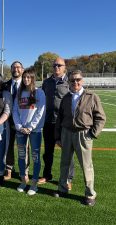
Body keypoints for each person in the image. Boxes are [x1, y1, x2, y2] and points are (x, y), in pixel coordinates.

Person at [53, 70, 106, 206]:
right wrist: (58, 136)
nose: (75, 82)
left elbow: (101, 117)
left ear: (82, 80)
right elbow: (60, 119)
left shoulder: (91, 96)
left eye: (78, 79)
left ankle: (90, 194)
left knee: (86, 166)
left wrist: (92, 133)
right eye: (72, 80)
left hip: (83, 134)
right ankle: (63, 188)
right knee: (65, 163)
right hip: (66, 133)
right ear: (69, 82)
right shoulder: (66, 97)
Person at [39, 57, 75, 188]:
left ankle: (68, 179)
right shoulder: (47, 82)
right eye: (54, 65)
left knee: (67, 152)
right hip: (48, 122)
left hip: (63, 123)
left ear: (64, 67)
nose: (56, 67)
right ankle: (47, 174)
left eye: (59, 65)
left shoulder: (69, 82)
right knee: (48, 151)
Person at [13, 69, 46, 195]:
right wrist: (19, 125)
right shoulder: (19, 93)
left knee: (35, 156)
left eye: (29, 77)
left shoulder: (39, 92)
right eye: (24, 77)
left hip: (35, 130)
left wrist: (31, 127)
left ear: (32, 78)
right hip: (21, 130)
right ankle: (23, 180)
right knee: (22, 155)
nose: (26, 79)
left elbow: (40, 113)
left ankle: (34, 184)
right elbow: (15, 110)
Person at [3, 61, 30, 182]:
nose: (16, 69)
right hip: (7, 122)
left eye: (18, 67)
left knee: (23, 147)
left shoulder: (27, 86)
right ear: (11, 69)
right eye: (14, 67)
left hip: (23, 123)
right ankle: (9, 169)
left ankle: (24, 171)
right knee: (8, 146)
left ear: (22, 70)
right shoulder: (5, 85)